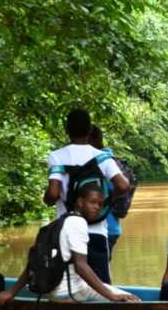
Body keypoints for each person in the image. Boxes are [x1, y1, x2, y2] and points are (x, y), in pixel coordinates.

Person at [0, 183, 140, 304]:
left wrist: (11, 292)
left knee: (107, 291)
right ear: (80, 202)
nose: (97, 208)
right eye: (93, 202)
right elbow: (81, 266)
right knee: (133, 301)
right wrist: (111, 296)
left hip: (51, 291)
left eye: (100, 204)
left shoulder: (56, 224)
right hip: (72, 292)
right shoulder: (78, 223)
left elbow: (34, 264)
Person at [44, 109, 129, 284]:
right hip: (96, 231)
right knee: (102, 286)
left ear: (66, 130)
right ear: (89, 130)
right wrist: (104, 203)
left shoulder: (57, 156)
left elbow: (53, 194)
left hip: (65, 232)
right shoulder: (101, 157)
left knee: (66, 285)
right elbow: (123, 185)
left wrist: (47, 200)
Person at [87, 125, 136, 260]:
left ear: (94, 140)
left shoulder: (102, 164)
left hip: (102, 228)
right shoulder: (114, 161)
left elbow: (122, 186)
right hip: (112, 228)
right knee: (102, 270)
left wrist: (105, 201)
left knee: (98, 274)